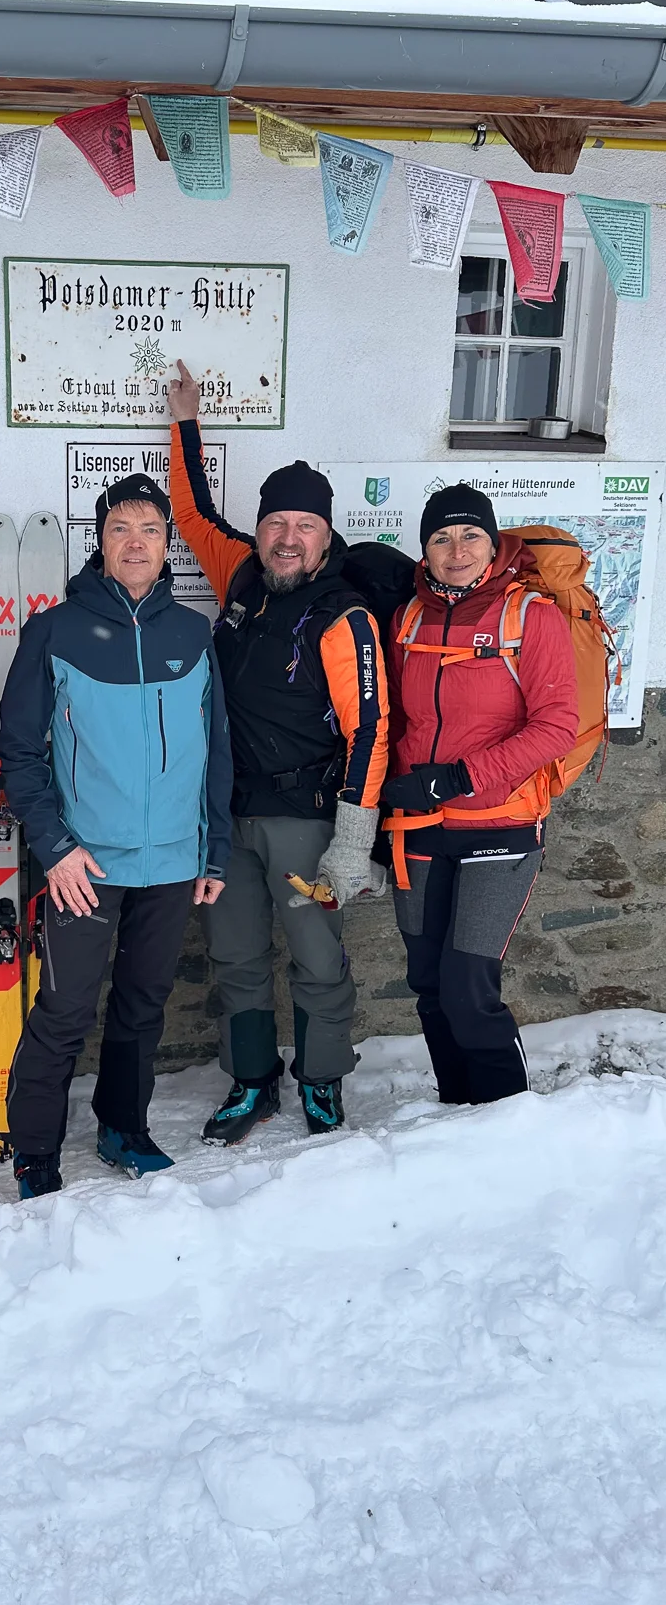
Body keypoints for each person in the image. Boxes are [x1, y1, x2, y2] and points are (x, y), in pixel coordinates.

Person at [167, 362, 388, 1146]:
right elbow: (191, 511)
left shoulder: (343, 616)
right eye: (275, 524)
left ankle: (322, 1080)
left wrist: (352, 844)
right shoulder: (240, 577)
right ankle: (251, 1080)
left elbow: (371, 729)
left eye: (305, 527)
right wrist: (185, 423)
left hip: (307, 821)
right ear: (259, 531)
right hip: (230, 816)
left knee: (316, 957)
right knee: (234, 958)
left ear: (326, 538)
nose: (287, 539)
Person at [0, 473, 233, 1198]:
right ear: (100, 542)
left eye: (151, 530)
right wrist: (56, 849)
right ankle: (36, 1148)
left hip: (169, 864)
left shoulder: (193, 636)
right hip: (85, 865)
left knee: (142, 1004)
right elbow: (19, 752)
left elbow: (216, 748)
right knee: (65, 1007)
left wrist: (212, 847)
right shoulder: (55, 631)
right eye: (121, 529)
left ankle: (123, 1126)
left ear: (168, 547)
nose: (136, 543)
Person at [383, 482, 578, 1105]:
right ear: (425, 550)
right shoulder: (408, 617)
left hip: (500, 825)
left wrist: (458, 777)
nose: (456, 549)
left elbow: (556, 727)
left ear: (493, 545)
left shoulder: (530, 616)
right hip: (417, 828)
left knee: (468, 982)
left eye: (470, 535)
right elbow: (391, 718)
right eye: (441, 537)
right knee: (429, 983)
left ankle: (504, 1114)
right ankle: (457, 1108)